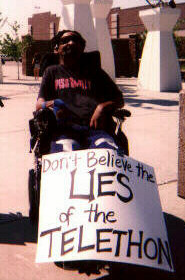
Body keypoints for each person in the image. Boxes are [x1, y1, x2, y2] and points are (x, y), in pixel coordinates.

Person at [36, 30, 124, 153]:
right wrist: (53, 103)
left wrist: (102, 107)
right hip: (65, 131)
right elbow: (39, 104)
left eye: (76, 41)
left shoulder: (95, 72)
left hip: (96, 130)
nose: (71, 43)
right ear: (57, 49)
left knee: (109, 154)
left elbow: (119, 99)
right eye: (65, 41)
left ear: (82, 48)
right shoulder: (51, 72)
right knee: (65, 158)